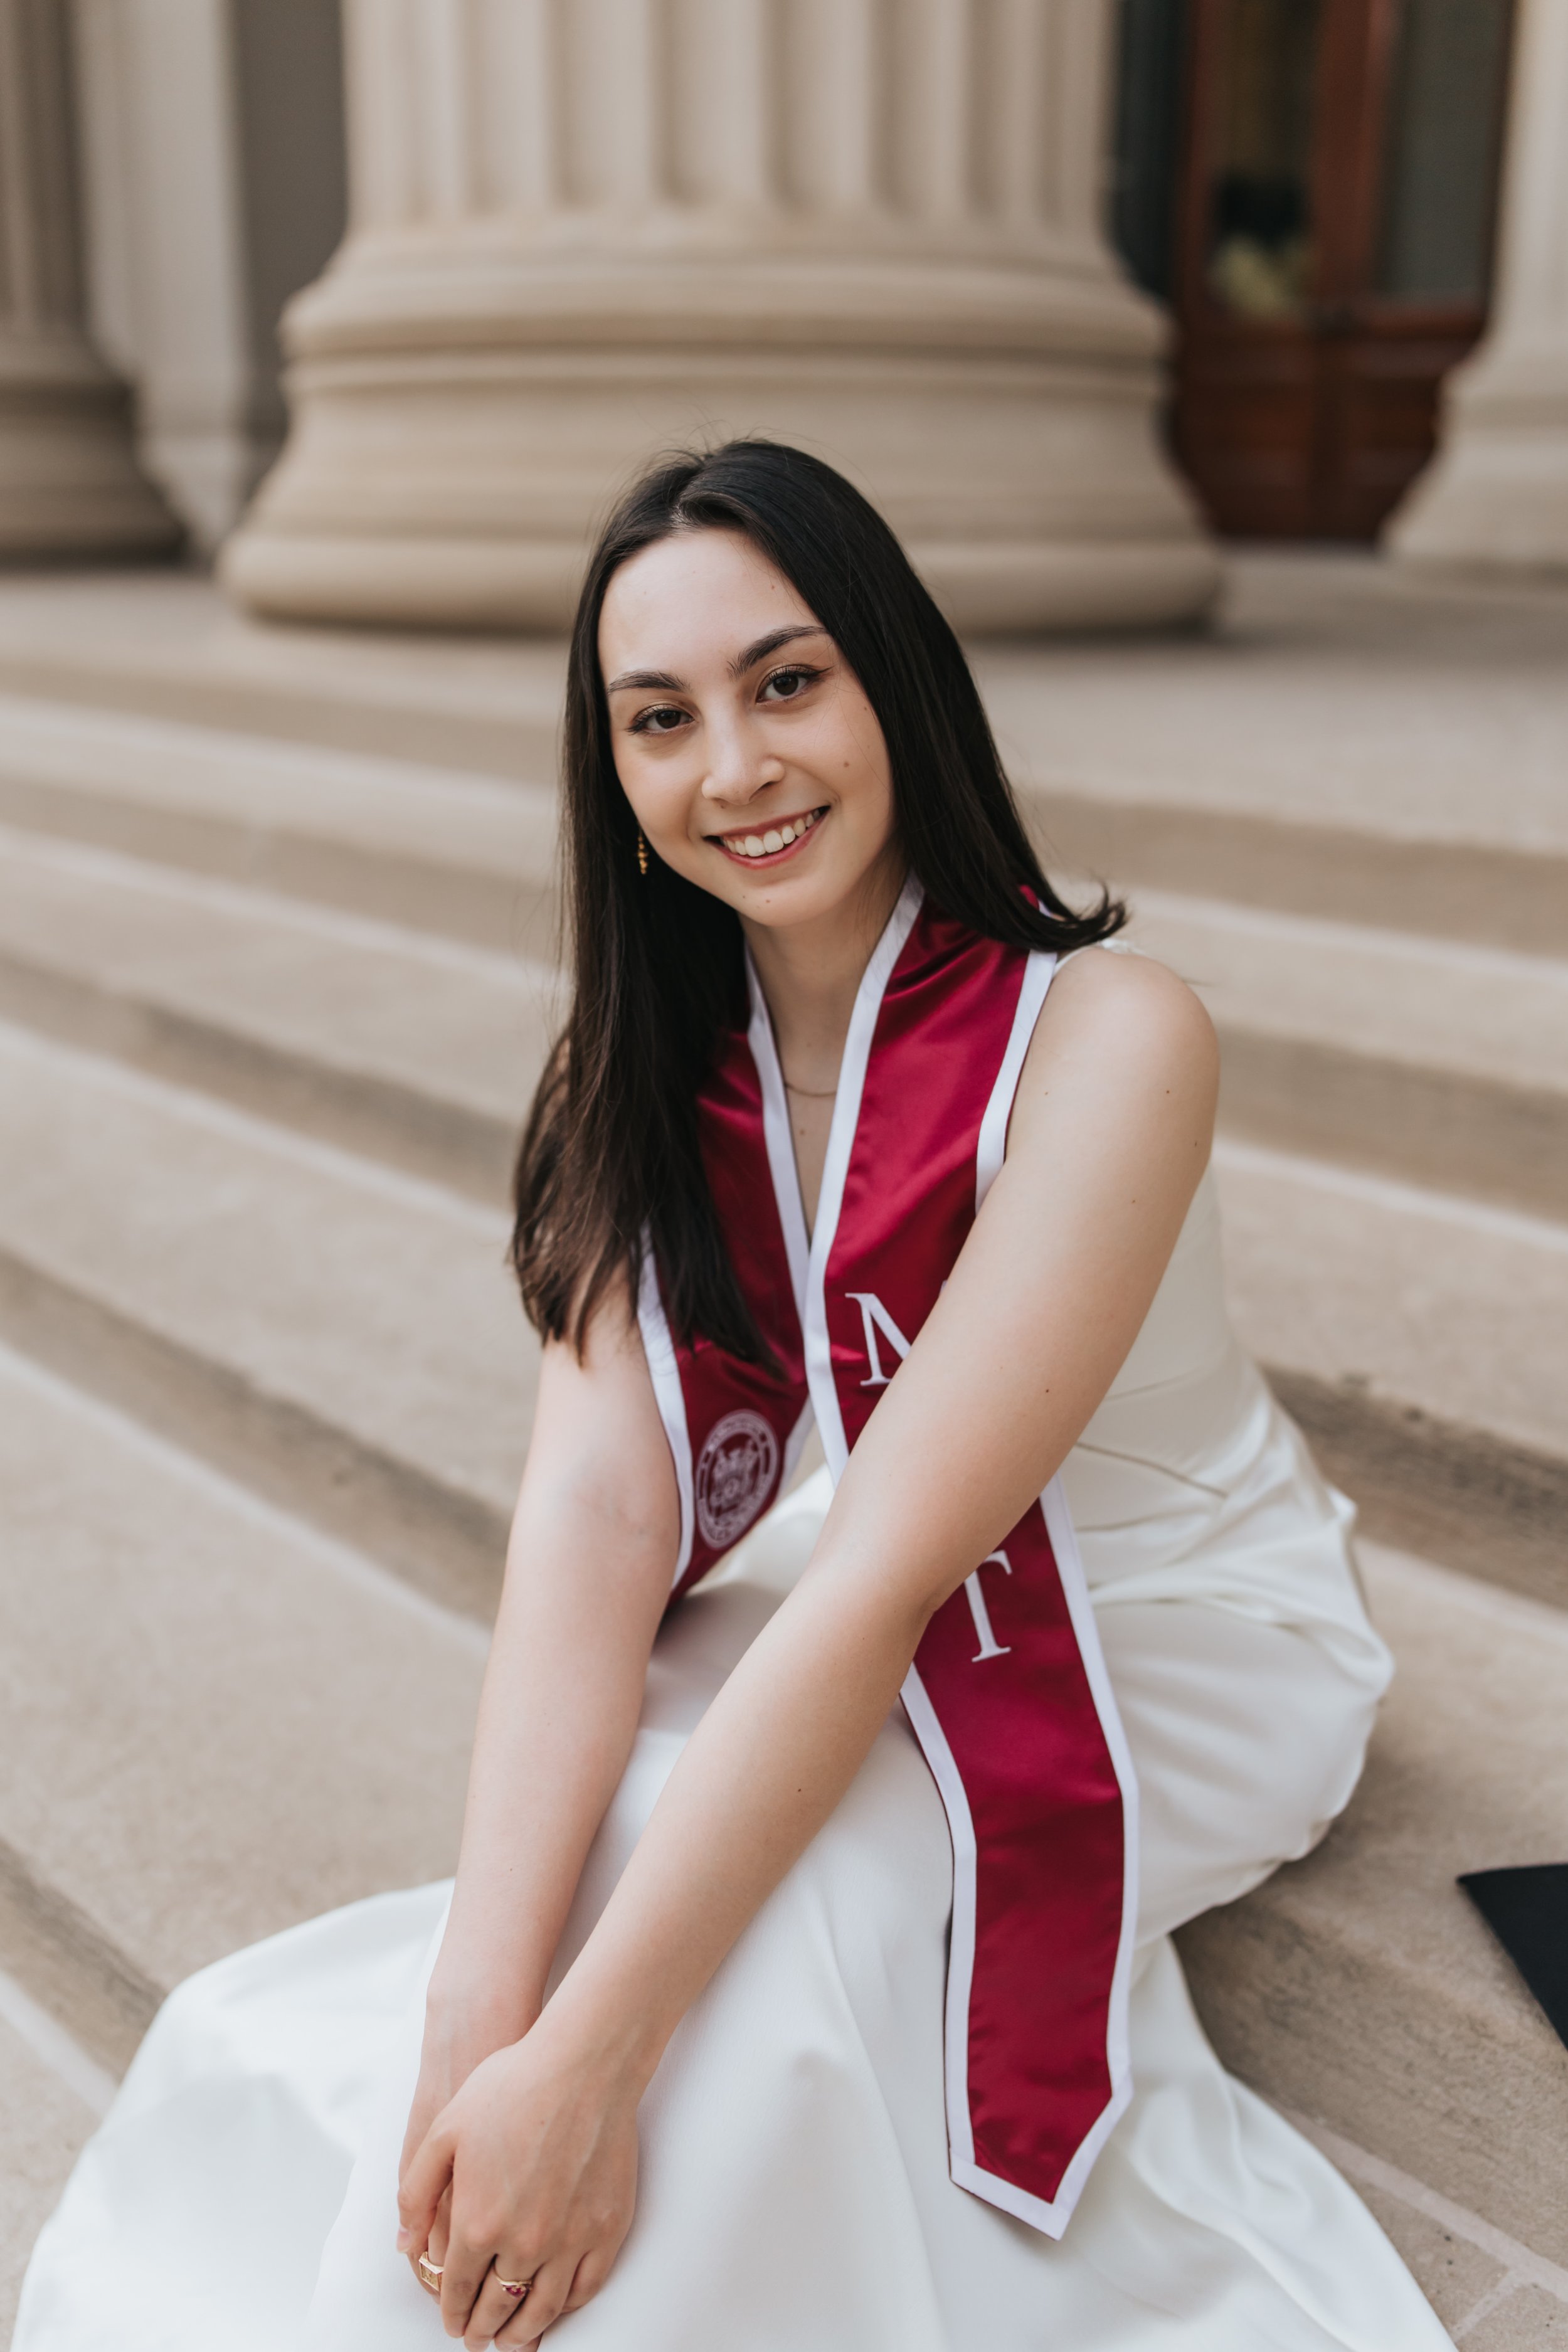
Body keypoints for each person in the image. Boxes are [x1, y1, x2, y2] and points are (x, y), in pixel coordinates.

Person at [16, 442, 1450, 2351]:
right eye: (660, 720)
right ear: (611, 782)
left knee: (751, 1986)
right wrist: (482, 2012)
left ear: (895, 681)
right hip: (870, 1594)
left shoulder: (1106, 1041)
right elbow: (599, 1520)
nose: (736, 770)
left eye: (788, 684)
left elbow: (882, 1577)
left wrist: (593, 2062)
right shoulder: (636, 1073)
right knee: (588, 1883)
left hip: (1153, 1631)